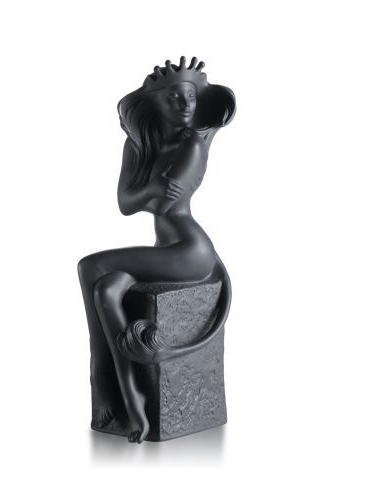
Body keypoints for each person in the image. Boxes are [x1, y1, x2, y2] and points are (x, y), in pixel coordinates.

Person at [78, 56, 236, 443]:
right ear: (155, 103)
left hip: (190, 251)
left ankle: (102, 378)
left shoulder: (192, 145)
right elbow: (125, 204)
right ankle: (131, 396)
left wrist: (145, 189)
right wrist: (151, 188)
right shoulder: (137, 146)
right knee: (107, 287)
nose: (184, 105)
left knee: (89, 266)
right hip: (166, 248)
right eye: (174, 97)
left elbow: (160, 204)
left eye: (190, 97)